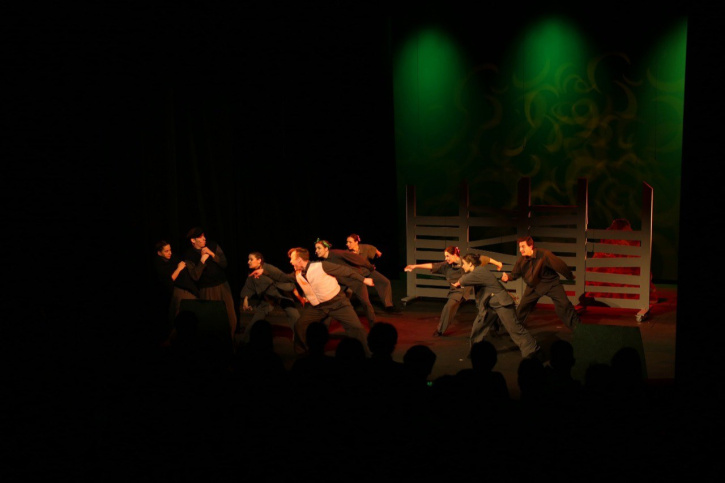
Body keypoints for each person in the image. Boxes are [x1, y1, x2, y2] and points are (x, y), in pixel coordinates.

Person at [251, 247, 373, 355]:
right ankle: (304, 354)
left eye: (292, 259)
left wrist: (364, 280)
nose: (290, 262)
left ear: (299, 260)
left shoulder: (322, 266)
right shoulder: (297, 274)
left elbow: (346, 271)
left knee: (356, 329)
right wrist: (264, 271)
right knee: (300, 325)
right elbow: (282, 277)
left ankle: (368, 354)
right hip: (318, 307)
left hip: (338, 303)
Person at [455, 252, 539, 359]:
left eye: (463, 264)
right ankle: (476, 352)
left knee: (514, 328)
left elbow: (463, 280)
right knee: (478, 327)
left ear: (470, 264)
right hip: (490, 305)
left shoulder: (479, 271)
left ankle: (532, 349)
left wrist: (457, 283)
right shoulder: (477, 271)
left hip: (502, 303)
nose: (462, 266)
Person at [404, 246, 503, 337]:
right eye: (445, 256)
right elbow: (432, 265)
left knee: (485, 304)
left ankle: (495, 325)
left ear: (455, 254)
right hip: (457, 291)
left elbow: (485, 259)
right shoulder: (446, 265)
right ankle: (440, 330)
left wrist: (498, 263)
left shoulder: (467, 260)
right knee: (448, 306)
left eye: (448, 256)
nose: (446, 258)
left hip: (474, 285)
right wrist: (415, 266)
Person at [501, 236, 580, 330]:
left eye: (523, 247)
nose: (520, 250)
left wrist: (569, 275)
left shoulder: (544, 254)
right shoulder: (521, 261)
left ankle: (578, 328)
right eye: (520, 247)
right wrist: (507, 277)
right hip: (533, 287)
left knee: (564, 305)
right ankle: (514, 329)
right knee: (523, 307)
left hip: (551, 284)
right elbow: (515, 274)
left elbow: (560, 265)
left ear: (531, 246)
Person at [183, 227, 238, 337]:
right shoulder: (189, 255)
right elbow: (195, 276)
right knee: (212, 318)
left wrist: (212, 254)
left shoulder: (213, 245)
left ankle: (231, 340)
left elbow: (224, 263)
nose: (204, 238)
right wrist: (202, 260)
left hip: (222, 285)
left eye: (204, 236)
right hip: (207, 289)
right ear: (193, 240)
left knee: (230, 316)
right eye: (200, 237)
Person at [239, 251, 300, 345]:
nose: (248, 262)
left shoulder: (269, 268)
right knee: (256, 320)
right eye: (248, 260)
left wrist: (298, 295)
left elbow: (282, 277)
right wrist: (245, 299)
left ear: (259, 260)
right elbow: (248, 287)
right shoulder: (251, 274)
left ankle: (299, 340)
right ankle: (244, 341)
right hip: (268, 299)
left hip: (281, 294)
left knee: (294, 316)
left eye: (251, 259)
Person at [314, 239, 378, 326]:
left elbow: (357, 258)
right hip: (342, 283)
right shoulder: (324, 262)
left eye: (319, 248)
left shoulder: (337, 254)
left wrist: (370, 267)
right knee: (332, 302)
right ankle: (324, 328)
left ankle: (374, 326)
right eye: (316, 248)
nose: (316, 251)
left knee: (365, 303)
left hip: (355, 279)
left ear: (326, 248)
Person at [152, 240, 199, 344]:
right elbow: (169, 280)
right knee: (176, 318)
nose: (170, 253)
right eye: (166, 251)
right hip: (168, 294)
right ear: (159, 253)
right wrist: (179, 268)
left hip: (184, 289)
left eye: (170, 250)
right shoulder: (159, 264)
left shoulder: (172, 258)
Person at [346, 233, 401, 313]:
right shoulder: (346, 253)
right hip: (356, 275)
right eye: (347, 242)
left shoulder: (364, 247)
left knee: (385, 282)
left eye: (350, 242)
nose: (347, 244)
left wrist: (377, 252)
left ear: (356, 242)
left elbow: (372, 248)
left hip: (367, 271)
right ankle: (343, 308)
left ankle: (389, 305)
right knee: (349, 289)